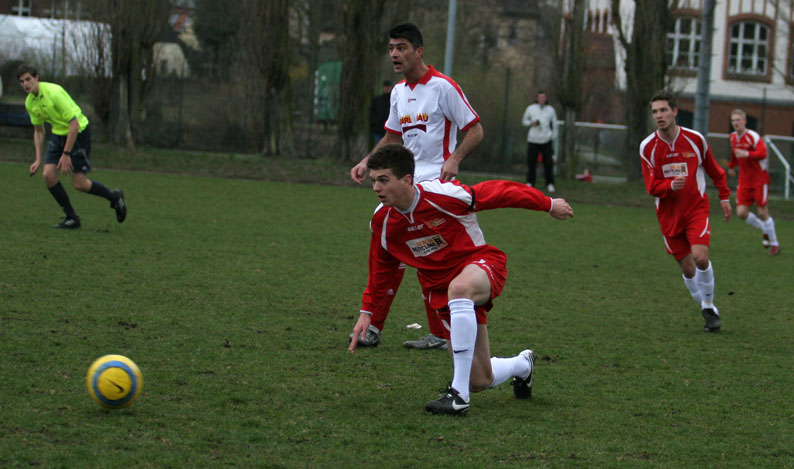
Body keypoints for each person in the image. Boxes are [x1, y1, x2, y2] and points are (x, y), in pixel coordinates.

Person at [348, 144, 574, 415]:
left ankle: (458, 396)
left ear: (406, 180)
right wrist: (367, 311)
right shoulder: (382, 222)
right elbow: (381, 270)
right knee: (478, 379)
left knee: (460, 288)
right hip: (442, 293)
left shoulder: (442, 194)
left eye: (383, 180)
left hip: (480, 266)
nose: (376, 187)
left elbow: (499, 192)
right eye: (374, 181)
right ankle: (522, 365)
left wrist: (548, 204)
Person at [349, 23, 484, 350]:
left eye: (401, 47)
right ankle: (374, 326)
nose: (394, 54)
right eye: (391, 48)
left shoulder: (443, 87)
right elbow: (392, 137)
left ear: (419, 51)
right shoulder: (398, 92)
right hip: (405, 182)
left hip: (437, 184)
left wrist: (454, 160)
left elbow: (475, 129)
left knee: (427, 253)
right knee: (386, 240)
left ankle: (441, 332)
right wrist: (368, 160)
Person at [640, 90, 731, 333]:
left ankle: (709, 306)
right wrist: (670, 185)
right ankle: (707, 308)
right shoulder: (648, 147)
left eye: (663, 110)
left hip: (695, 209)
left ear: (674, 111)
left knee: (700, 258)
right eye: (655, 112)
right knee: (688, 269)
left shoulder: (695, 140)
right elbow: (651, 187)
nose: (659, 116)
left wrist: (724, 197)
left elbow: (715, 171)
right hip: (669, 216)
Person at [18, 64, 126, 228]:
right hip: (58, 134)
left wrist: (66, 154)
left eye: (28, 79)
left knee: (79, 184)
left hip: (78, 133)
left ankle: (115, 197)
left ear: (36, 77)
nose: (25, 84)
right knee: (48, 175)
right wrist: (37, 159)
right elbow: (39, 131)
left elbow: (74, 124)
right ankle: (72, 218)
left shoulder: (54, 93)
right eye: (22, 81)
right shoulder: (30, 102)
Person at [728, 109, 780, 255]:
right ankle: (765, 229)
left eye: (738, 120)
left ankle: (774, 243)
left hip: (759, 179)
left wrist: (747, 153)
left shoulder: (753, 136)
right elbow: (735, 154)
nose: (736, 123)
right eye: (733, 120)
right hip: (744, 180)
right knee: (741, 212)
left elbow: (763, 153)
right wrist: (731, 166)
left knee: (762, 212)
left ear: (745, 121)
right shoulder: (732, 137)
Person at [521, 91, 558, 192]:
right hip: (533, 139)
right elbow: (524, 121)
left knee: (548, 163)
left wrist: (552, 136)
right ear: (537, 98)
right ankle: (530, 182)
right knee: (531, 162)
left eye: (543, 97)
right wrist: (531, 123)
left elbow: (555, 124)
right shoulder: (530, 108)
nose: (542, 99)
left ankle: (550, 183)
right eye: (540, 97)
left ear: (546, 99)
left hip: (546, 140)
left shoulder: (550, 110)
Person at [369, 80, 393, 147]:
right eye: (385, 87)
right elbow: (372, 112)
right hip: (379, 129)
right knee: (379, 148)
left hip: (391, 130)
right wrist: (374, 123)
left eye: (388, 87)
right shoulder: (377, 100)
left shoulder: (394, 100)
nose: (387, 88)